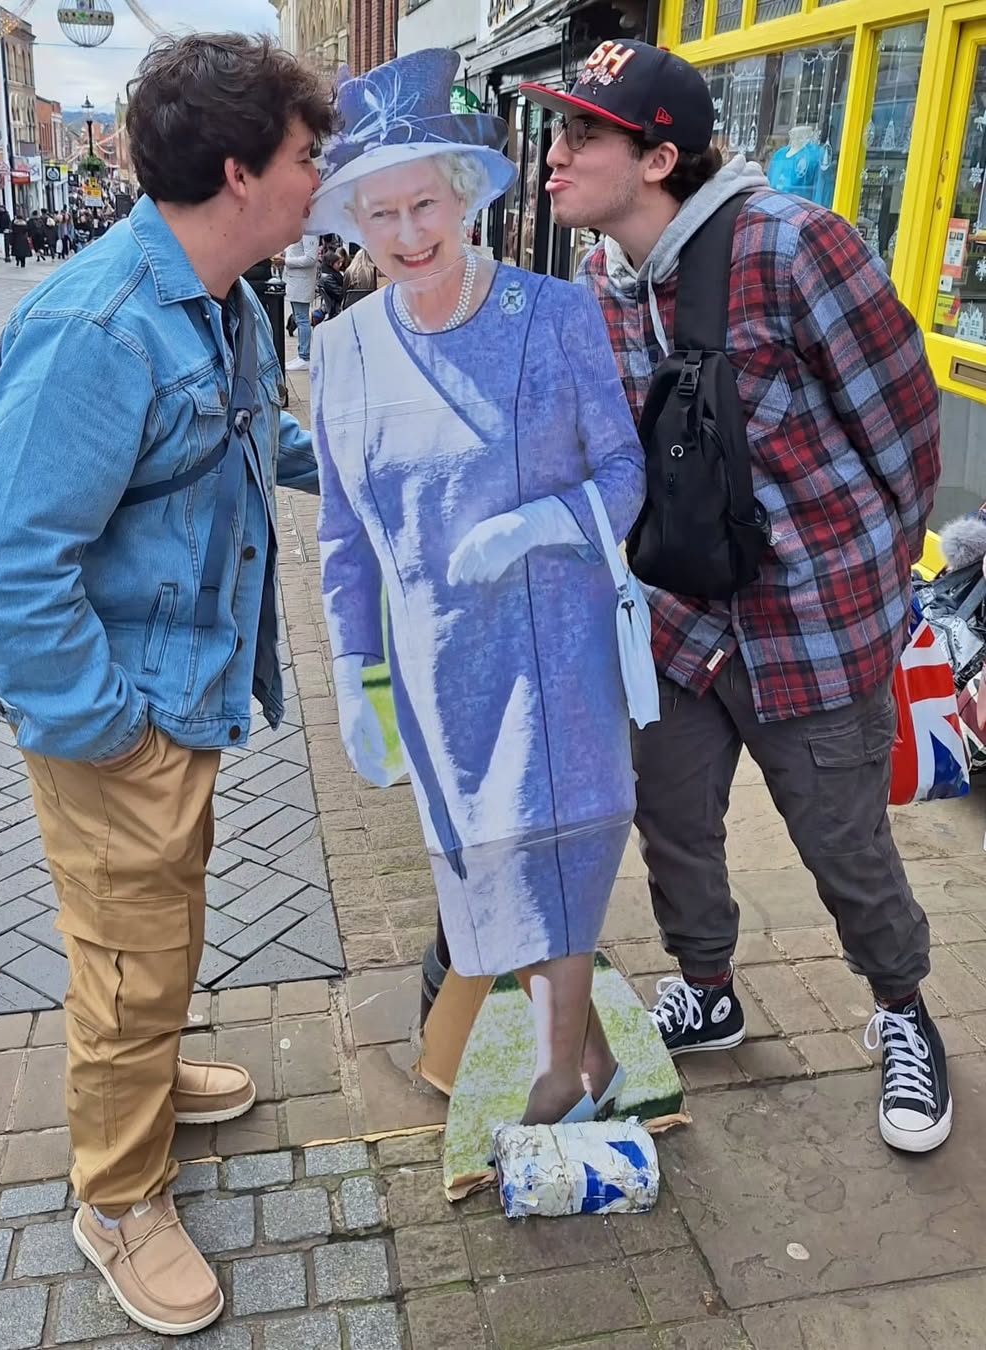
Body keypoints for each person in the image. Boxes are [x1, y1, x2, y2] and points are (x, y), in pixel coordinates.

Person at [0, 34, 332, 1336]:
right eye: (306, 156)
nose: (319, 179)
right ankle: (118, 1198)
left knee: (158, 929)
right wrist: (111, 731)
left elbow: (253, 435)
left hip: (180, 691)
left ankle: (150, 1079)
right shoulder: (101, 323)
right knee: (126, 962)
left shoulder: (222, 301)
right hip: (118, 717)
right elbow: (7, 564)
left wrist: (376, 463)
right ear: (239, 172)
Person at [524, 38, 949, 1153]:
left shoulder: (794, 247)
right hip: (676, 617)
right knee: (670, 821)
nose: (555, 155)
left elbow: (906, 430)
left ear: (658, 158)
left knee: (842, 841)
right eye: (559, 129)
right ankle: (707, 989)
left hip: (812, 625)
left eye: (583, 134)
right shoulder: (600, 284)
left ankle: (904, 1011)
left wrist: (871, 586)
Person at [310, 50, 646, 1127]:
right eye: (381, 213)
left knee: (564, 853)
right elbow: (344, 539)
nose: (409, 232)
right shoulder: (343, 351)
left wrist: (541, 526)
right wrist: (354, 673)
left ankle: (559, 1083)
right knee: (487, 869)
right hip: (439, 669)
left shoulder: (555, 316)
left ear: (464, 196)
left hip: (558, 652)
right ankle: (590, 1064)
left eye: (425, 204)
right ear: (353, 224)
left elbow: (626, 473)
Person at [282, 229, 316, 368]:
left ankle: (304, 356)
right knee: (299, 317)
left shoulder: (309, 232)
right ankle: (302, 354)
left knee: (302, 319)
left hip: (301, 282)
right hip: (295, 281)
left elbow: (310, 258)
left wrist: (285, 261)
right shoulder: (299, 229)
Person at [318, 248, 344, 319]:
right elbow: (339, 294)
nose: (340, 265)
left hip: (334, 305)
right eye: (338, 263)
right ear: (331, 264)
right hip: (336, 307)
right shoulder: (328, 278)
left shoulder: (327, 274)